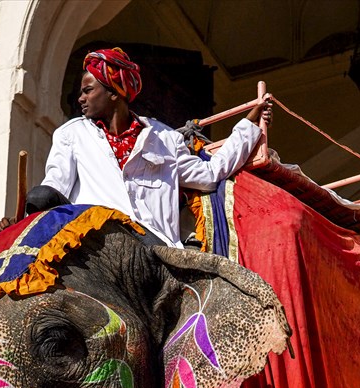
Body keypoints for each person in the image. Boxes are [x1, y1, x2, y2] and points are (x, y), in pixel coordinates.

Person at [27, 47, 272, 247]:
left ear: (114, 92)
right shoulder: (72, 134)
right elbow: (55, 187)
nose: (81, 98)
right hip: (99, 242)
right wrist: (21, 226)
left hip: (157, 247)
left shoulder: (164, 137)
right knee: (41, 196)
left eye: (88, 90)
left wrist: (249, 125)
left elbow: (209, 175)